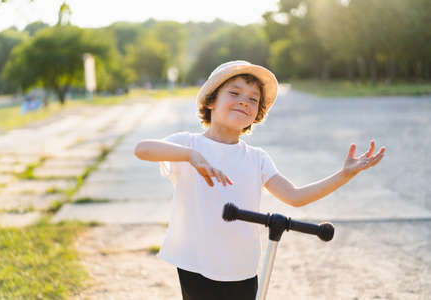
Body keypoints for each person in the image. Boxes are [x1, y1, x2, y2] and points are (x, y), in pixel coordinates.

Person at [134, 60, 386, 300]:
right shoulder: (188, 144)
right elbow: (142, 149)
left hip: (242, 267)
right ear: (211, 101)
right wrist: (190, 156)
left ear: (256, 113)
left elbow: (295, 197)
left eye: (253, 99)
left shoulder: (257, 158)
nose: (244, 102)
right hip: (196, 263)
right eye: (234, 93)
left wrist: (344, 175)